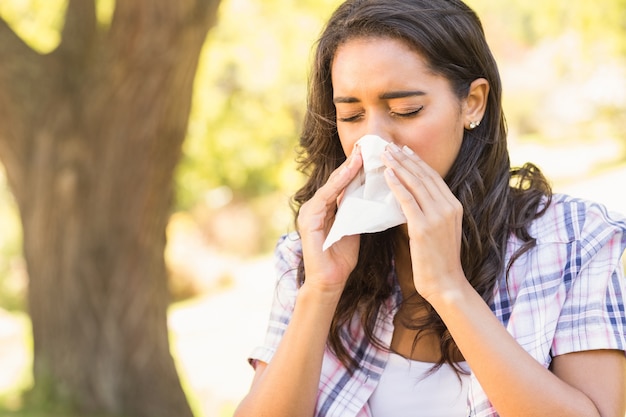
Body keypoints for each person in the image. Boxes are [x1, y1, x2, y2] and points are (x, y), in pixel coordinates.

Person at [234, 0, 626, 416]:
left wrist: (448, 288)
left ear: (473, 102)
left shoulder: (578, 240)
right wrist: (320, 291)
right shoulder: (308, 256)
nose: (374, 143)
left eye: (406, 110)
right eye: (351, 115)